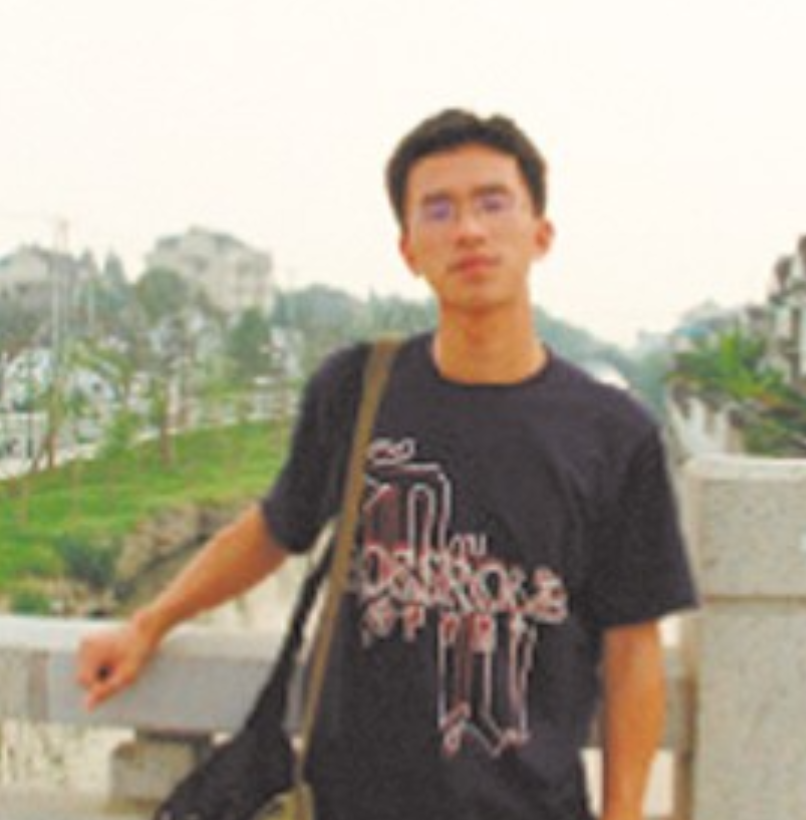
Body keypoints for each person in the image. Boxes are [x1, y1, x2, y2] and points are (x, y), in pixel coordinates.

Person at [78, 109, 696, 820]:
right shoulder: (358, 390)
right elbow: (275, 529)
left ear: (540, 234)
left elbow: (632, 647)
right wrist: (148, 624)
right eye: (439, 210)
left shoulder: (615, 435)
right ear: (409, 250)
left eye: (493, 203)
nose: (469, 230)